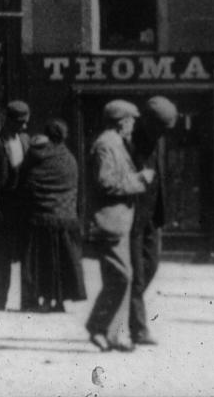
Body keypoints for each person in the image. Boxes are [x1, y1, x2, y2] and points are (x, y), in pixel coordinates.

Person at [84, 100, 154, 353]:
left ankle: (113, 335)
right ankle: (96, 326)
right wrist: (139, 180)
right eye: (131, 121)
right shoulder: (106, 145)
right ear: (121, 121)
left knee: (120, 277)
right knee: (122, 277)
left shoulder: (115, 144)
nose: (133, 126)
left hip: (120, 221)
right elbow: (106, 183)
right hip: (110, 221)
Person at [18, 119, 85, 314]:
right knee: (62, 260)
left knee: (42, 260)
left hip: (39, 215)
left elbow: (26, 180)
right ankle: (60, 300)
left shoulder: (35, 155)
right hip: (65, 217)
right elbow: (74, 186)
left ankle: (44, 299)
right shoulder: (69, 158)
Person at [128, 95, 177, 346]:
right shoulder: (129, 140)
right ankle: (138, 328)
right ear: (146, 121)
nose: (162, 133)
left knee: (152, 265)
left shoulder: (159, 139)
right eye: (159, 127)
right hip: (133, 216)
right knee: (136, 274)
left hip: (153, 215)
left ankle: (126, 306)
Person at [0, 100, 33, 311]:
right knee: (3, 255)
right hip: (4, 205)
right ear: (9, 120)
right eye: (20, 122)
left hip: (23, 205)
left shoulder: (25, 140)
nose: (24, 126)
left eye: (26, 122)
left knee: (26, 253)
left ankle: (27, 300)